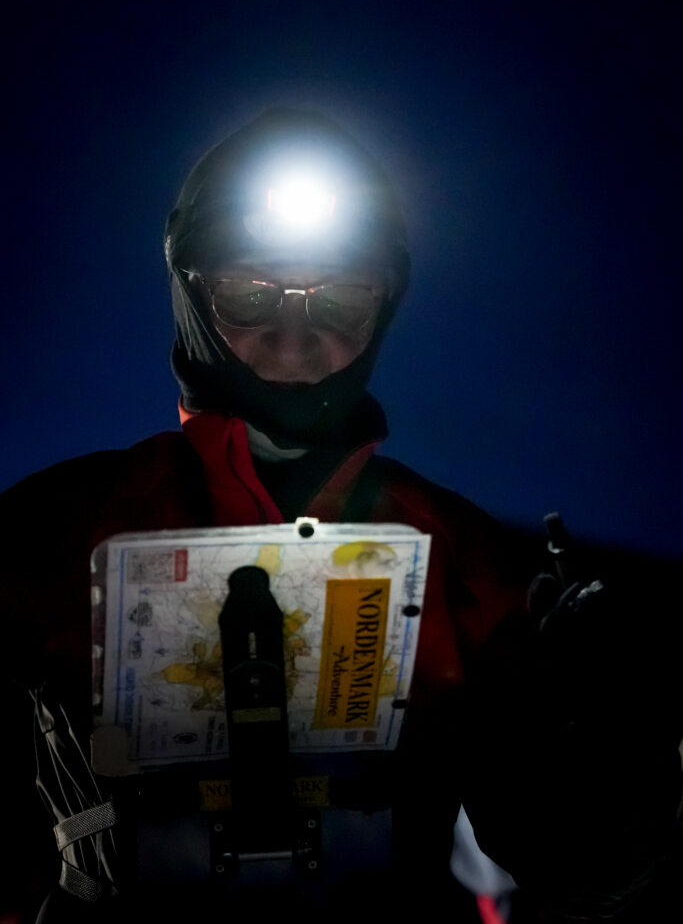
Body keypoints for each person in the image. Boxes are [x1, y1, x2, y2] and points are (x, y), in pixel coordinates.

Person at [0, 109, 680, 923]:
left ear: (383, 308)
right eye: (248, 295)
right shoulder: (57, 529)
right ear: (190, 292)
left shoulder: (453, 552)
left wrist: (609, 732)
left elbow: (582, 868)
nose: (293, 340)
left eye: (341, 301)